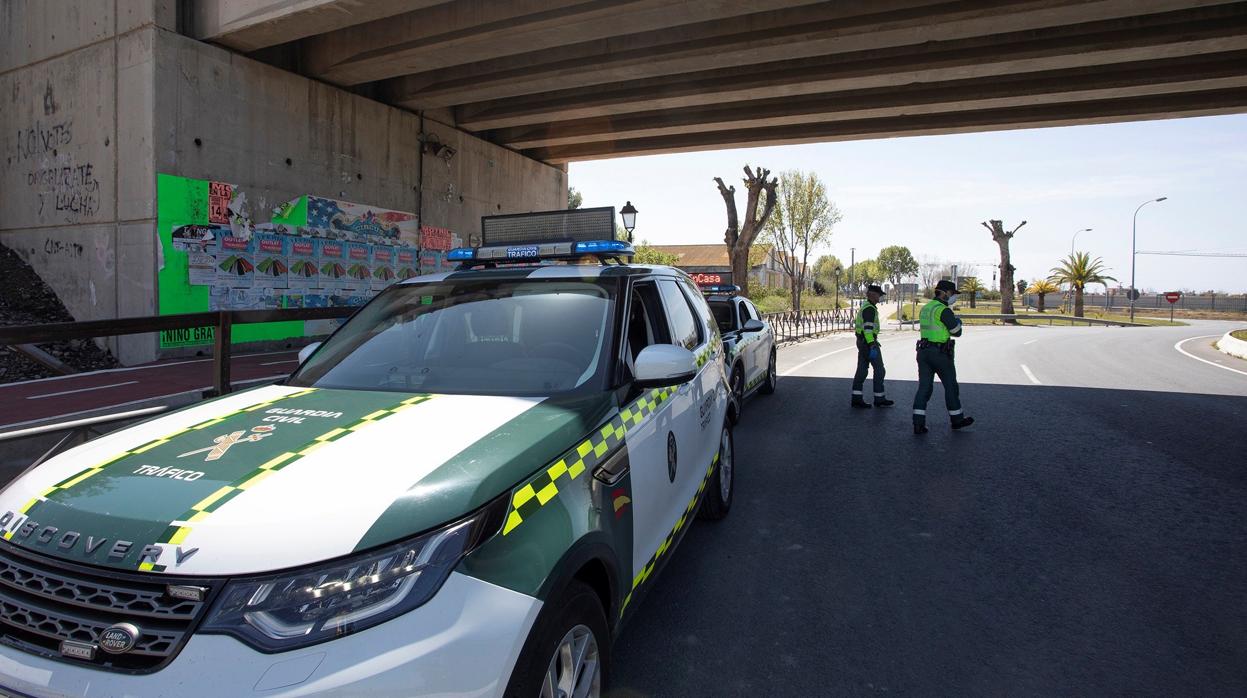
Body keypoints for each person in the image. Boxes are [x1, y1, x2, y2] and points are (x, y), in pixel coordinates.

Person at [913, 280, 974, 434]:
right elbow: (956, 332)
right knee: (951, 386)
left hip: (923, 352)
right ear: (945, 292)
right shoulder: (943, 310)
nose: (953, 297)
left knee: (924, 388)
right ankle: (957, 420)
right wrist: (958, 323)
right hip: (940, 354)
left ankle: (918, 423)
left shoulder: (926, 308)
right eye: (952, 293)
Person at [851, 284, 893, 408]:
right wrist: (872, 344)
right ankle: (879, 399)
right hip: (868, 343)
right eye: (879, 295)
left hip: (862, 342)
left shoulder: (866, 306)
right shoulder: (869, 309)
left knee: (862, 370)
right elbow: (868, 329)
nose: (880, 297)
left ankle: (856, 398)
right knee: (879, 370)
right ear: (872, 295)